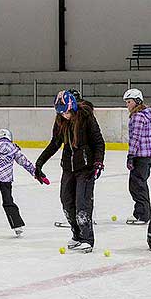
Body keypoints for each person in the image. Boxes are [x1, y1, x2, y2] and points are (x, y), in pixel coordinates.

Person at [35, 90, 105, 253]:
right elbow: (55, 143)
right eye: (60, 113)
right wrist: (39, 163)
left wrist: (98, 162)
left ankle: (87, 238)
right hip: (68, 167)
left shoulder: (86, 117)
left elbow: (98, 142)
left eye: (66, 112)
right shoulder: (60, 120)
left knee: (82, 203)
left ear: (72, 107)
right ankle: (77, 235)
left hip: (86, 168)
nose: (64, 115)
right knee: (66, 201)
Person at [123, 88, 151, 225]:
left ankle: (143, 215)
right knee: (140, 184)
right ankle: (142, 213)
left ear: (137, 101)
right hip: (147, 155)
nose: (127, 105)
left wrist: (130, 155)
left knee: (137, 185)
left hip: (140, 155)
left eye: (129, 102)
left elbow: (135, 138)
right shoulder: (145, 114)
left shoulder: (137, 116)